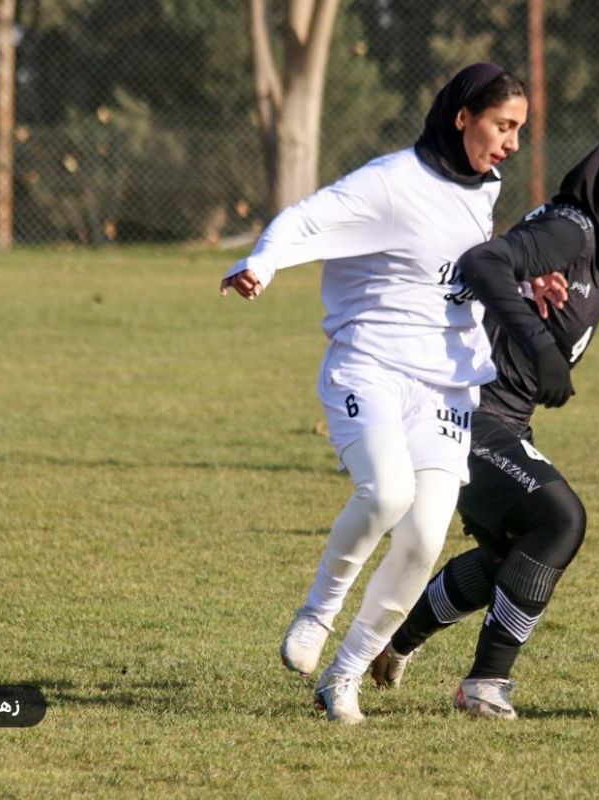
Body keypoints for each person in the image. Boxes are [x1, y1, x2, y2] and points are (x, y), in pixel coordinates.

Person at [220, 64, 568, 725]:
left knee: (424, 537)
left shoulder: (483, 186)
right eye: (503, 125)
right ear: (462, 117)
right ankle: (318, 612)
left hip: (445, 387)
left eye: (519, 129)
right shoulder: (390, 182)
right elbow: (304, 218)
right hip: (370, 368)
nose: (513, 143)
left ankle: (344, 676)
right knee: (386, 492)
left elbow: (455, 272)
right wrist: (259, 264)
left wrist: (526, 286)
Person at [369, 122, 599, 719]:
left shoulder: (595, 247)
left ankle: (393, 644)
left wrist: (522, 282)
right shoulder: (573, 229)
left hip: (502, 421)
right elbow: (483, 261)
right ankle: (485, 683)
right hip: (462, 414)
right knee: (559, 520)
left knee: (511, 558)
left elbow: (508, 259)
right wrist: (539, 343)